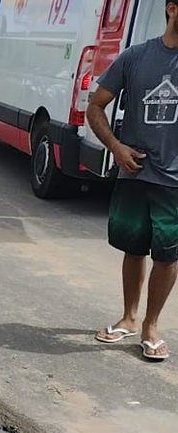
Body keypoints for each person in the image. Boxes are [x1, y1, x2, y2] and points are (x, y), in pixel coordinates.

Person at [88, 0, 178, 363]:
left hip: (174, 181)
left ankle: (151, 327)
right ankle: (128, 316)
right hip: (135, 172)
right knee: (134, 247)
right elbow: (96, 106)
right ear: (172, 8)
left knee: (168, 256)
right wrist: (116, 147)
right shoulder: (135, 57)